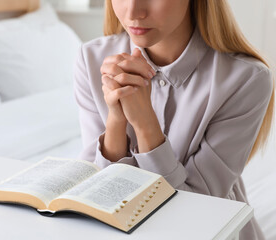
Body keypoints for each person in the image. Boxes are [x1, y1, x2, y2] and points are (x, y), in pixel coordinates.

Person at [73, 0, 274, 239]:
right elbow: (96, 190)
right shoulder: (91, 58)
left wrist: (145, 124)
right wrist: (116, 120)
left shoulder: (246, 79)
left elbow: (196, 212)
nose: (133, 12)